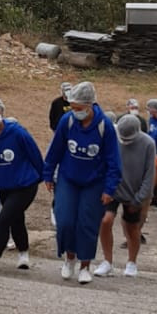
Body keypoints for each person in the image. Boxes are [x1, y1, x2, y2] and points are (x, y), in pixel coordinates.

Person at [43, 79, 121, 284]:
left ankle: (85, 265)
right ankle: (69, 258)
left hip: (94, 182)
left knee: (87, 223)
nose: (75, 111)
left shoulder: (105, 127)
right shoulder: (67, 121)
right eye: (73, 107)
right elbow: (55, 149)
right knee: (65, 219)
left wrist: (109, 188)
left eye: (78, 108)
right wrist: (48, 173)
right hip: (68, 178)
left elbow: (114, 161)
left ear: (89, 105)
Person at [0, 97, 45, 274]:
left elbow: (34, 153)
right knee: (15, 217)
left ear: (2, 113)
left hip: (25, 184)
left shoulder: (18, 133)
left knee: (4, 218)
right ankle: (23, 253)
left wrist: (43, 176)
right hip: (4, 185)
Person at [94, 113, 156, 278]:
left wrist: (140, 198)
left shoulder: (148, 144)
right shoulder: (111, 137)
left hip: (134, 193)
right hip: (112, 189)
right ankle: (107, 261)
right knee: (105, 220)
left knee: (131, 228)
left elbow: (149, 175)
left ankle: (131, 262)